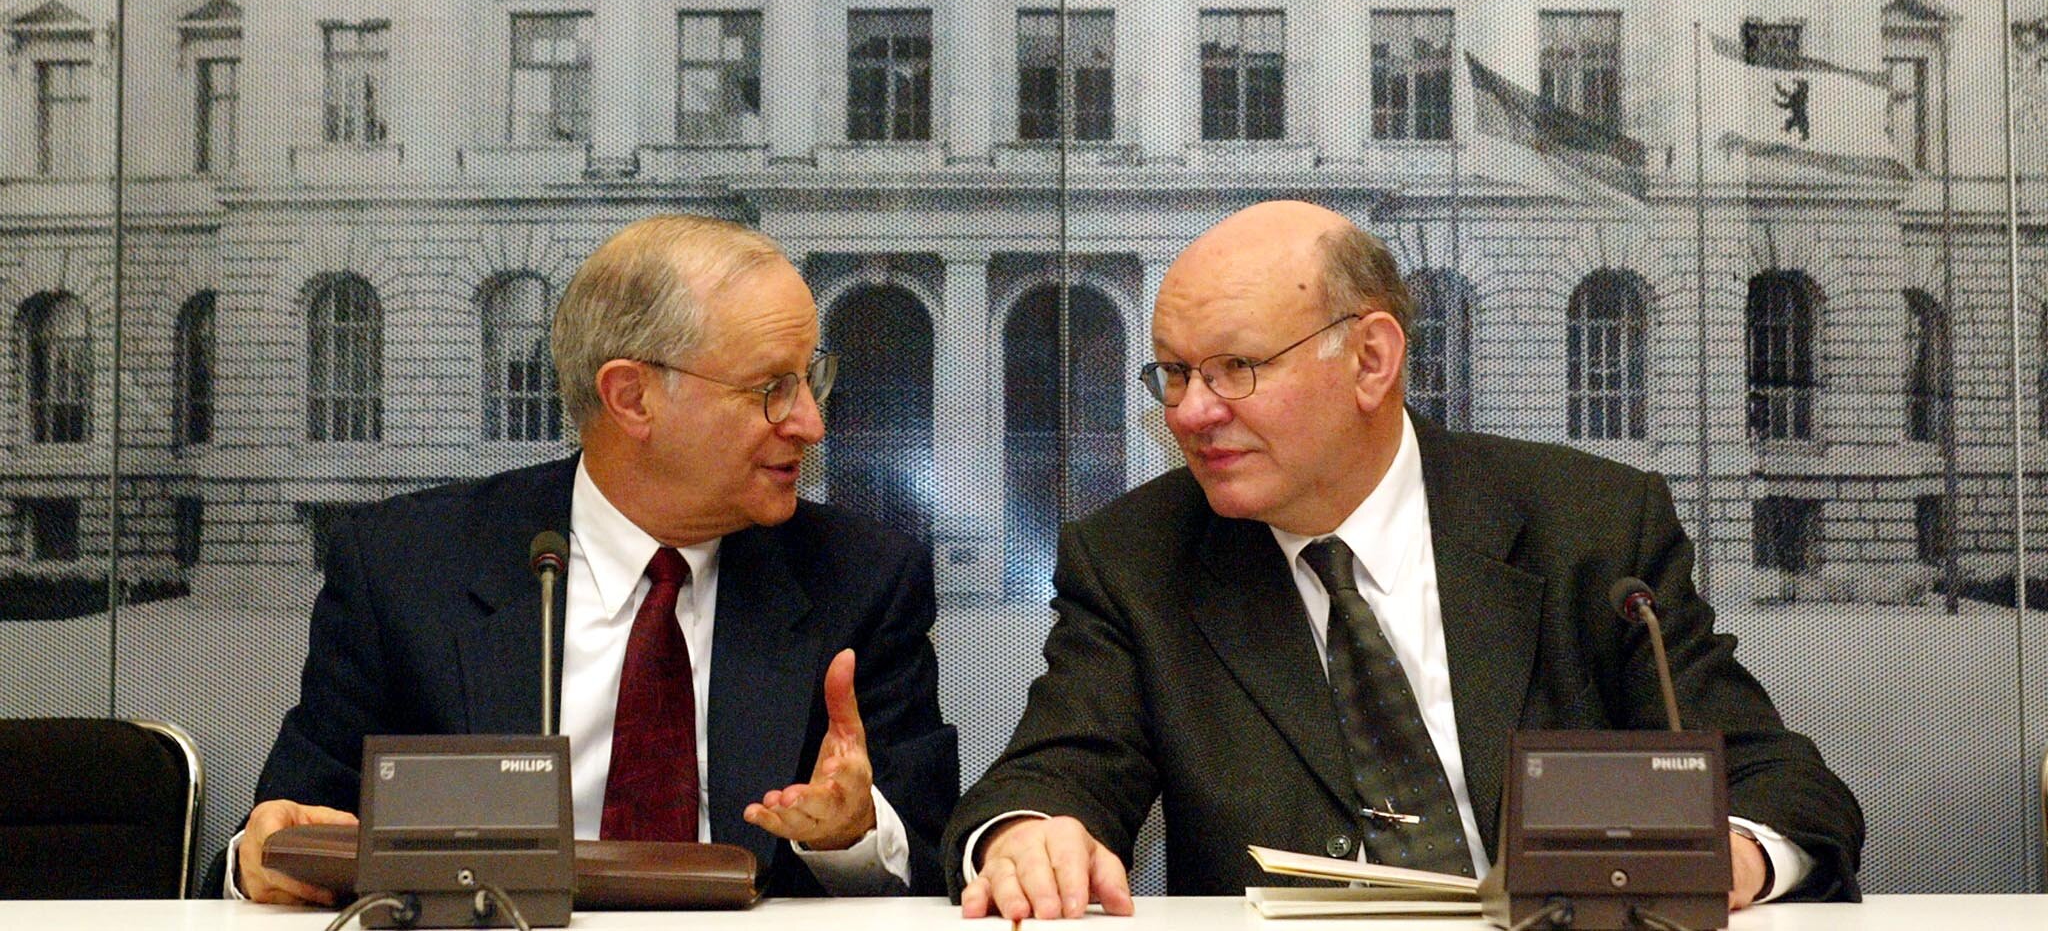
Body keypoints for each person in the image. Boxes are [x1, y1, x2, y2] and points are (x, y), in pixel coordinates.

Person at [947, 200, 1862, 919]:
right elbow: (1051, 773)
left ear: (1372, 359)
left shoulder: (1589, 528)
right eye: (1175, 374)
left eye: (1234, 367)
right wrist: (1029, 835)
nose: (1191, 412)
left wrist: (1723, 856)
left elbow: (1782, 787)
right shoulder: (1138, 560)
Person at [232, 214, 958, 902]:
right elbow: (285, 835)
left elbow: (933, 865)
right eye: (771, 389)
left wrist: (854, 836)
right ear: (632, 398)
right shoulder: (408, 569)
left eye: (810, 378)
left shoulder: (860, 581)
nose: (811, 423)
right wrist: (264, 858)